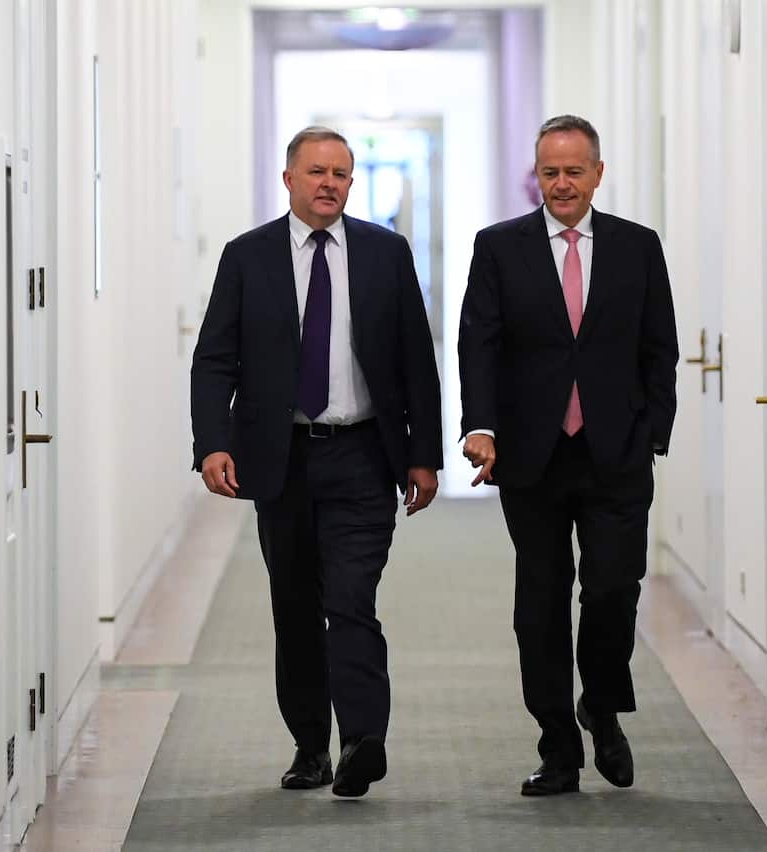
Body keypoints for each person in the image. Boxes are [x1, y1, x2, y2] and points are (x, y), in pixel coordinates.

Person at [191, 126, 442, 798]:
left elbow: (417, 360)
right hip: (283, 458)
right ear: (289, 180)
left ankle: (363, 738)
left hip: (363, 453)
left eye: (341, 173)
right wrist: (213, 442)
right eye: (316, 172)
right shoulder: (248, 257)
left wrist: (423, 456)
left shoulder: (386, 254)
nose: (329, 183)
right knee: (296, 605)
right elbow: (216, 358)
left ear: (351, 183)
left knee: (353, 597)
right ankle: (310, 746)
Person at [458, 115, 678, 796]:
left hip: (616, 452)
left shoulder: (638, 248)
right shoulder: (499, 248)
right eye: (549, 172)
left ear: (597, 174)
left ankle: (602, 707)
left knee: (614, 589)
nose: (561, 183)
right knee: (542, 602)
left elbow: (658, 347)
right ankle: (558, 746)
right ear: (537, 175)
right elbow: (479, 344)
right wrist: (481, 427)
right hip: (532, 454)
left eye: (573, 171)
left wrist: (653, 433)